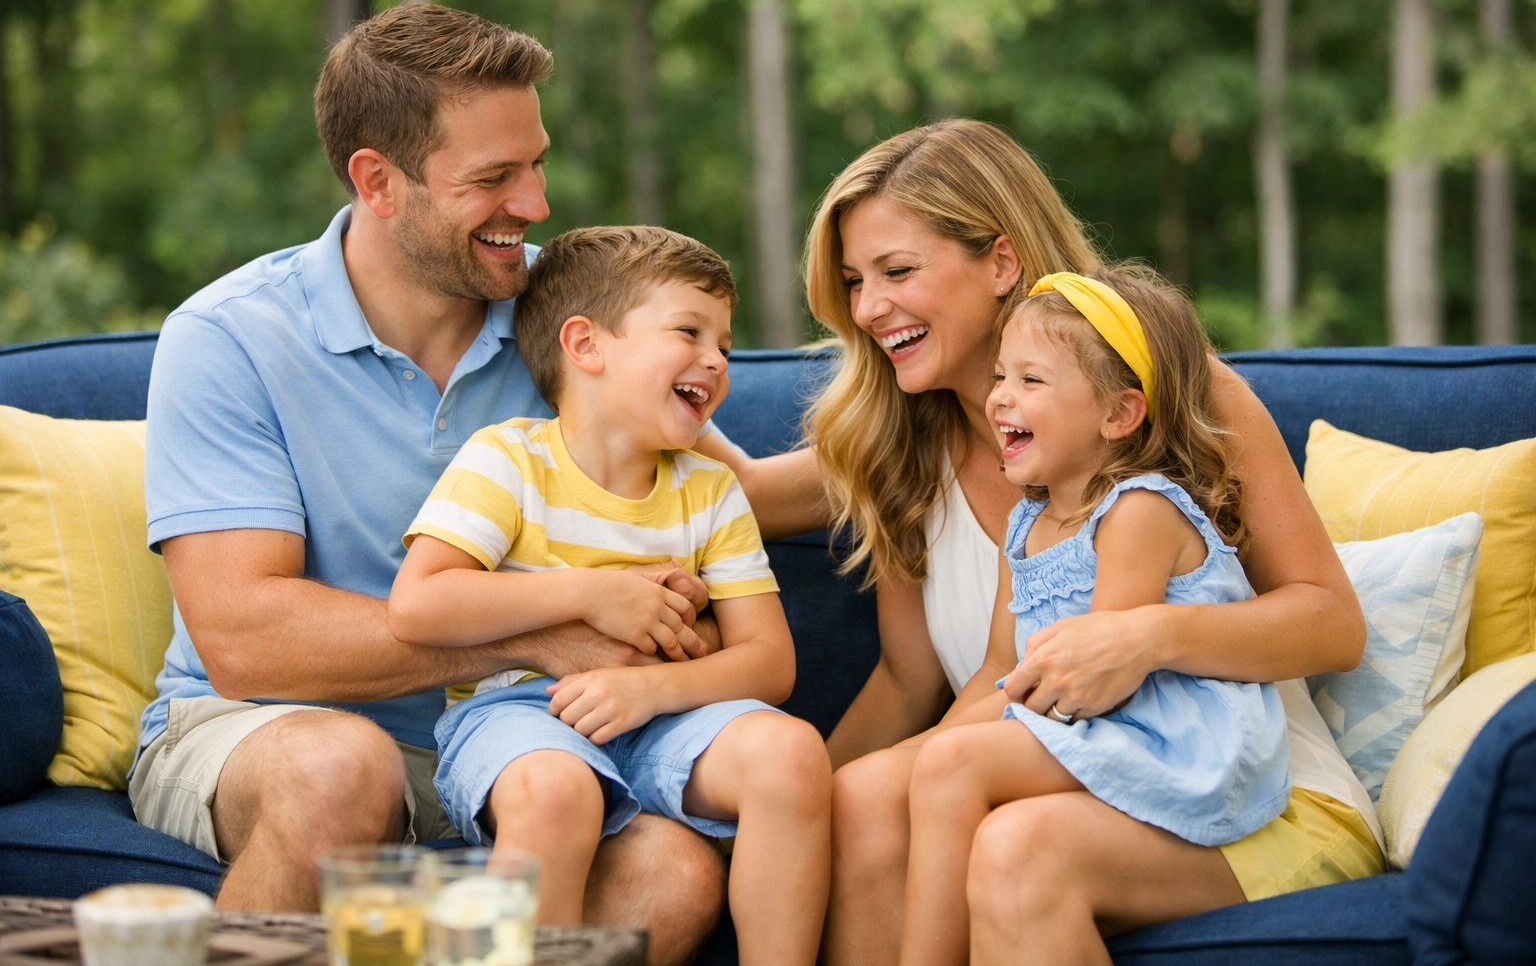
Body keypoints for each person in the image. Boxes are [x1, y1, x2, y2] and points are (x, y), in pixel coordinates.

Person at [705, 119, 1384, 963]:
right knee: (863, 802)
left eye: (898, 271)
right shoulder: (900, 450)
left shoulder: (1164, 394)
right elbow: (905, 673)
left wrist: (1145, 637)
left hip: (1251, 792)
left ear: (1001, 262)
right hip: (1055, 777)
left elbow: (1332, 624)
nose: (868, 307)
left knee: (1016, 849)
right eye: (853, 282)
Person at [130, 4, 727, 963]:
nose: (535, 204)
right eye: (493, 179)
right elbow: (244, 638)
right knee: (341, 770)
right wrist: (544, 632)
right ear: (378, 181)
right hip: (264, 728)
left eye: (536, 165)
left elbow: (738, 492)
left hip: (520, 736)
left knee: (677, 870)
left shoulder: (573, 317)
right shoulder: (230, 337)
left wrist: (938, 429)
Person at [388, 226, 831, 966]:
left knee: (789, 755)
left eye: (724, 344)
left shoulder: (711, 491)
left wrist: (649, 690)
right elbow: (418, 604)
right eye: (689, 331)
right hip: (516, 715)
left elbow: (769, 661)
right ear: (586, 345)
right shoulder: (508, 460)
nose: (716, 360)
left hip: (666, 715)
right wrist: (591, 593)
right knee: (556, 795)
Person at [895, 268, 1291, 966]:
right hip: (1100, 729)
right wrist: (928, 758)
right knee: (940, 765)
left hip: (1168, 739)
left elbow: (1101, 680)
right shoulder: (1026, 525)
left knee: (952, 767)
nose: (999, 397)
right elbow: (1005, 671)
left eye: (1031, 380)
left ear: (1118, 415)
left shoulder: (1139, 510)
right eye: (1001, 376)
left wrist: (952, 760)